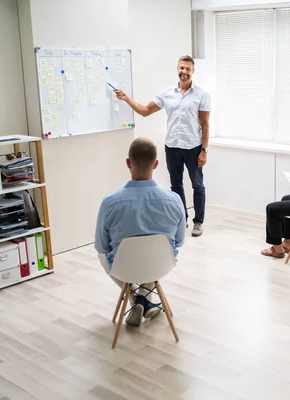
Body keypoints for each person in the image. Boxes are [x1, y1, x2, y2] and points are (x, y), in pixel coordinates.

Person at [114, 55, 211, 237]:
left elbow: (205, 124)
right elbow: (145, 111)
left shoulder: (201, 96)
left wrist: (204, 150)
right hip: (172, 146)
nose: (184, 72)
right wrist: (126, 98)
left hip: (193, 147)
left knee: (197, 185)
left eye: (188, 69)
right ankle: (181, 219)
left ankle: (198, 222)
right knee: (176, 186)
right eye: (182, 68)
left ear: (193, 71)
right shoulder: (167, 94)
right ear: (177, 69)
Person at [95, 137, 186, 326]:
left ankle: (135, 299)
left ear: (128, 163)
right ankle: (145, 298)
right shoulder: (175, 200)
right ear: (156, 164)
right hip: (160, 264)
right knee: (158, 251)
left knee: (101, 254)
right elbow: (179, 241)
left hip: (124, 267)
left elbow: (102, 246)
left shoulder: (110, 203)